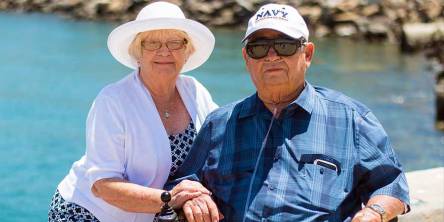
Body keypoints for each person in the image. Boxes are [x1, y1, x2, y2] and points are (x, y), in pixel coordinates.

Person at [169, 3, 410, 222]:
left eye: (284, 45)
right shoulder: (219, 124)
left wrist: (374, 213)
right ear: (246, 58)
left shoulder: (351, 120)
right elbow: (183, 180)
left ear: (307, 54)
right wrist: (192, 197)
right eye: (259, 48)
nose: (272, 56)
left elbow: (391, 184)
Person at [48, 2, 220, 222]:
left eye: (175, 42)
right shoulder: (112, 101)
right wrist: (171, 199)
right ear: (138, 52)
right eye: (152, 43)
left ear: (187, 52)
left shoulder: (196, 91)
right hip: (88, 213)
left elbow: (221, 145)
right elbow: (103, 186)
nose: (164, 50)